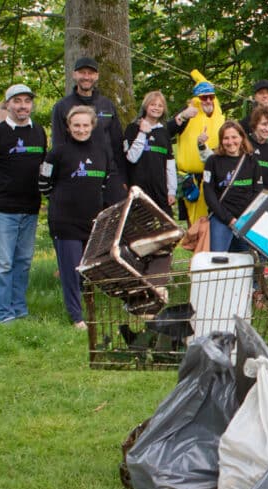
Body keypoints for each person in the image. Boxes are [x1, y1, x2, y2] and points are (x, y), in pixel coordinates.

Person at [0, 83, 47, 324]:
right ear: (7, 105)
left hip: (30, 207)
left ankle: (20, 309)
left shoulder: (39, 132)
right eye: (17, 101)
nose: (22, 106)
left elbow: (42, 167)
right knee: (3, 264)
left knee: (23, 261)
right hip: (1, 210)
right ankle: (5, 314)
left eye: (26, 101)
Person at [38, 106, 117, 330]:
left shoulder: (102, 151)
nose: (81, 130)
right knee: (71, 270)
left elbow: (104, 182)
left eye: (85, 125)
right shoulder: (57, 153)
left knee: (87, 270)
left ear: (92, 126)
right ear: (68, 127)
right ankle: (76, 317)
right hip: (64, 221)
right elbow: (44, 183)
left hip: (91, 222)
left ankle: (89, 306)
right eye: (76, 125)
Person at [50, 57, 126, 204]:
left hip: (110, 175)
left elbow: (117, 143)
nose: (86, 77)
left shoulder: (107, 105)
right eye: (82, 73)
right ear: (74, 75)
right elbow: (58, 145)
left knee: (116, 222)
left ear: (96, 76)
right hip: (79, 174)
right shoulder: (62, 106)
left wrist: (123, 178)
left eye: (90, 73)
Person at [201, 121, 263, 252]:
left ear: (241, 137)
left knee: (245, 259)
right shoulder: (212, 161)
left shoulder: (252, 161)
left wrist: (245, 218)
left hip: (245, 219)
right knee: (218, 259)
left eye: (234, 137)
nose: (230, 142)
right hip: (221, 217)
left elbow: (257, 192)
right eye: (226, 138)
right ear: (221, 140)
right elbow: (209, 193)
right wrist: (228, 219)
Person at [174, 78, 224, 224]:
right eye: (203, 97)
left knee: (214, 220)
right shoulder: (186, 115)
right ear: (196, 99)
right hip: (191, 180)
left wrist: (195, 74)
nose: (208, 101)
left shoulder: (219, 117)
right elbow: (167, 131)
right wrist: (182, 116)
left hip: (214, 177)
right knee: (195, 225)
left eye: (211, 97)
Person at [123, 91, 178, 215]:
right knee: (142, 227)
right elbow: (131, 158)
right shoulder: (132, 129)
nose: (156, 108)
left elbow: (170, 164)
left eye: (160, 105)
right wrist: (142, 133)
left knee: (167, 228)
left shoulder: (164, 133)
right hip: (139, 190)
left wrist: (172, 191)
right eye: (153, 104)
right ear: (146, 106)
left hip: (160, 190)